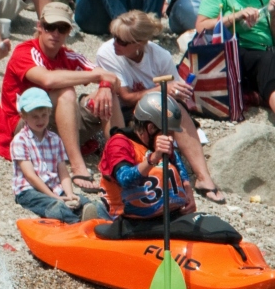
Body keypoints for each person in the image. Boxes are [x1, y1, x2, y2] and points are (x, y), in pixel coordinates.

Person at [95, 10, 226, 204]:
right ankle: (118, 166)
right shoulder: (107, 53)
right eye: (114, 37)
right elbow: (126, 97)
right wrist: (162, 88)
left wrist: (176, 92)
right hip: (122, 112)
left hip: (152, 113)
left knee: (176, 108)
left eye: (122, 41)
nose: (115, 43)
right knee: (110, 95)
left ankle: (203, 178)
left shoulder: (160, 55)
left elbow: (177, 96)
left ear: (140, 43)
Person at [0, 2, 122, 193]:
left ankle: (120, 159)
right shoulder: (25, 51)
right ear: (39, 27)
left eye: (61, 28)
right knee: (66, 91)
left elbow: (114, 80)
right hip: (27, 125)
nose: (55, 33)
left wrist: (104, 85)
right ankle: (78, 167)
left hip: (57, 125)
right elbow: (47, 80)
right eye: (49, 27)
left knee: (108, 93)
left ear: (69, 31)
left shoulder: (68, 56)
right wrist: (99, 76)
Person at [95, 92, 241, 243]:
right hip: (127, 221)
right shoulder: (119, 144)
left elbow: (177, 163)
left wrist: (187, 190)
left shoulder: (159, 141)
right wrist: (153, 158)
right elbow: (124, 179)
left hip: (164, 217)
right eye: (168, 132)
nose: (171, 138)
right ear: (150, 128)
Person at [196, 0, 275, 117]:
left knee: (268, 58)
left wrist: (273, 13)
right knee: (268, 61)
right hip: (237, 51)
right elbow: (201, 27)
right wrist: (235, 16)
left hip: (264, 50)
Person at [11, 87, 100, 223]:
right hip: (29, 191)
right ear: (24, 116)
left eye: (44, 115)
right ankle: (77, 223)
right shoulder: (20, 140)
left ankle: (87, 216)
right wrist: (53, 196)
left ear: (49, 113)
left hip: (55, 188)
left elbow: (63, 172)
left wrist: (69, 194)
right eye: (35, 116)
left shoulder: (55, 139)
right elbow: (30, 175)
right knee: (55, 206)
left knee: (85, 201)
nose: (40, 120)